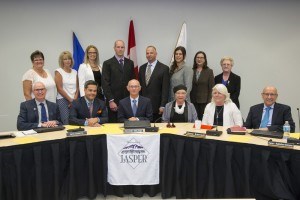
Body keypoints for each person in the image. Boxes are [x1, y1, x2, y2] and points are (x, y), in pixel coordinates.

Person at [102, 40, 135, 122]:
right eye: (118, 47)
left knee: (128, 125)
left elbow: (132, 82)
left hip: (128, 101)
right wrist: (110, 100)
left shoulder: (130, 63)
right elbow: (105, 83)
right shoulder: (107, 63)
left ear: (124, 49)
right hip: (114, 102)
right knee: (114, 127)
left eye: (122, 47)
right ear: (114, 48)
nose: (120, 49)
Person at [138, 46, 170, 122]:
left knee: (156, 129)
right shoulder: (142, 68)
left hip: (157, 107)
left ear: (156, 54)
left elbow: (165, 89)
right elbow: (139, 88)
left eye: (151, 53)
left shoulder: (164, 68)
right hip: (143, 106)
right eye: (147, 53)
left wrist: (163, 105)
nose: (149, 55)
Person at [54, 51, 79, 125]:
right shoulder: (58, 71)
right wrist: (70, 100)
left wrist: (74, 100)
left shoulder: (75, 72)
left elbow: (77, 88)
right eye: (65, 59)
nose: (67, 61)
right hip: (63, 100)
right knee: (66, 121)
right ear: (62, 61)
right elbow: (59, 88)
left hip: (74, 100)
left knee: (75, 121)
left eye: (69, 59)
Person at [190, 51, 215, 120]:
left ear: (204, 60)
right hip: (193, 101)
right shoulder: (191, 71)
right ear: (195, 59)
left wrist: (209, 102)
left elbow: (212, 88)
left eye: (201, 58)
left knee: (203, 121)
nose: (199, 59)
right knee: (194, 120)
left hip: (204, 102)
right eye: (197, 57)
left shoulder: (209, 71)